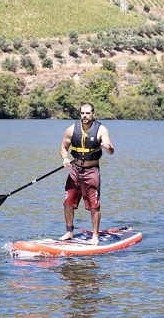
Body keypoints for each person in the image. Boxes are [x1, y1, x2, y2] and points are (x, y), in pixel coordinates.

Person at [59, 103, 114, 245]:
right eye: (82, 113)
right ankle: (69, 231)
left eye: (87, 113)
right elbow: (63, 147)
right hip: (75, 170)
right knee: (67, 203)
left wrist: (107, 146)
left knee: (94, 205)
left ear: (93, 114)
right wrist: (65, 158)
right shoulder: (71, 129)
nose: (84, 116)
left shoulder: (101, 130)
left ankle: (95, 236)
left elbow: (110, 150)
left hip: (92, 172)